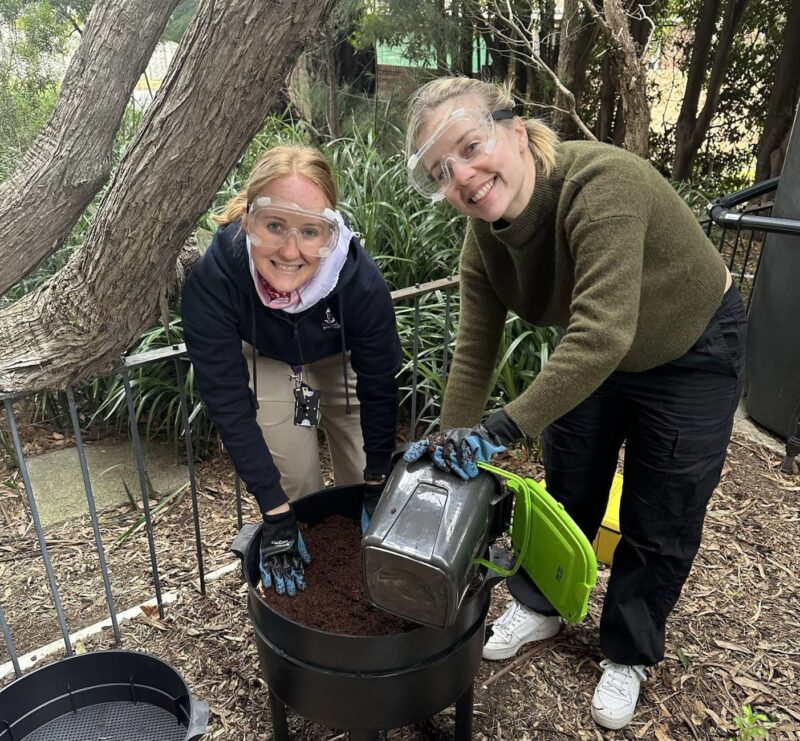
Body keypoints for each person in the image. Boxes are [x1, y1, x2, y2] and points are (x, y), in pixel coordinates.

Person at [402, 77, 746, 730]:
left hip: (689, 344)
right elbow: (474, 354)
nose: (465, 177)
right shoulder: (485, 242)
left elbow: (602, 332)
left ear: (515, 127)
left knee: (662, 506)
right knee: (569, 478)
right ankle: (542, 602)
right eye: (442, 171)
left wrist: (500, 428)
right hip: (597, 345)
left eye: (471, 146)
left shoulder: (601, 184)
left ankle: (628, 649)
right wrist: (451, 445)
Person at [182, 145, 401, 598]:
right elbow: (228, 404)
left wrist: (378, 479)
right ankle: (317, 587)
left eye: (310, 231)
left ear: (331, 233)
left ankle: (370, 572)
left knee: (364, 472)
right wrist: (275, 513)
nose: (290, 249)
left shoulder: (360, 281)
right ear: (248, 220)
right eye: (275, 225)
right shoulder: (215, 279)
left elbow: (379, 385)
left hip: (340, 353)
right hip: (269, 356)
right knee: (295, 484)